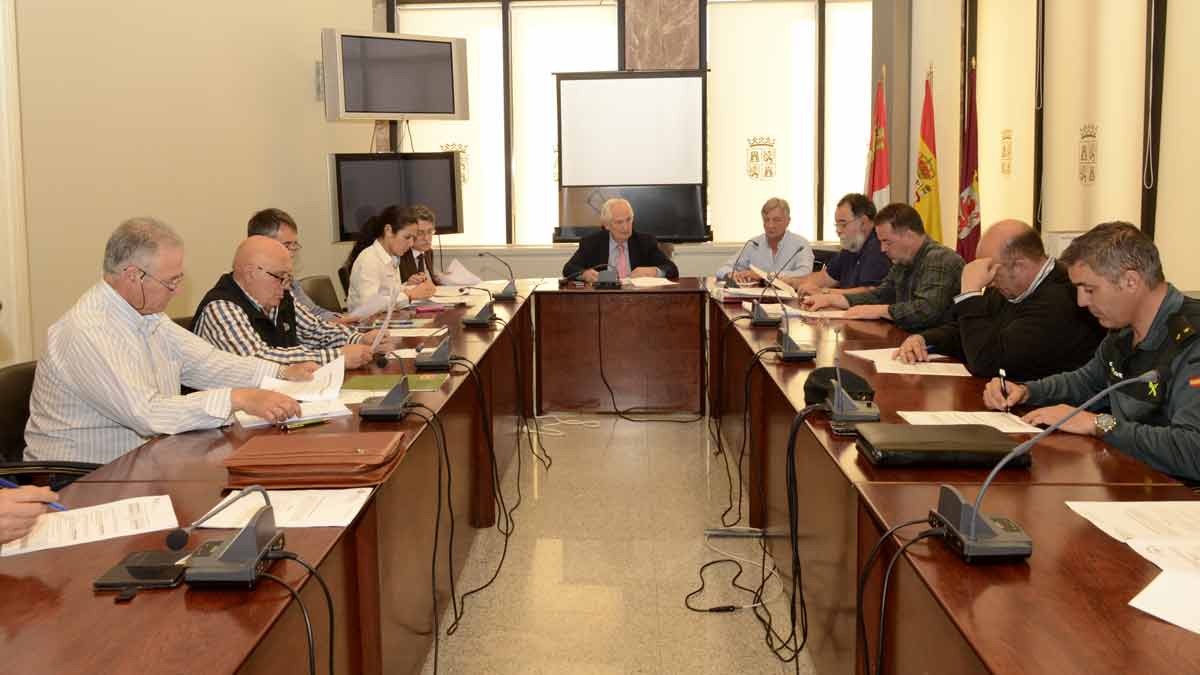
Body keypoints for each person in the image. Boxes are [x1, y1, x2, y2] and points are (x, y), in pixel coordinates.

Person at [24, 218, 312, 465]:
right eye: (170, 282)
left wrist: (278, 373)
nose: (175, 292)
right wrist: (238, 398)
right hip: (82, 479)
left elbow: (205, 363)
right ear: (133, 276)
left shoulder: (148, 315)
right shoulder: (87, 330)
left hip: (142, 460)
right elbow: (147, 413)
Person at [984, 221, 1200, 482]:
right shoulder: (1123, 330)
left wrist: (1098, 424)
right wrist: (1026, 391)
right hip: (1131, 479)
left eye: (1089, 289)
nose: (1081, 302)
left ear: (1130, 281)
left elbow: (1192, 450)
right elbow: (1088, 382)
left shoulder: (1192, 340)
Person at [895, 220, 1104, 379]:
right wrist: (924, 339)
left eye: (993, 274)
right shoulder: (1008, 284)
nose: (990, 283)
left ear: (1019, 266)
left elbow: (987, 363)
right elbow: (969, 331)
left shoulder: (1061, 300)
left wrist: (970, 293)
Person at [193, 236, 394, 368]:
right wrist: (337, 357)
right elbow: (258, 362)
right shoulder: (221, 307)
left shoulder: (277, 296)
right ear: (251, 273)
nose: (286, 285)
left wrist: (360, 340)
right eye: (280, 277)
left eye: (288, 278)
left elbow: (317, 331)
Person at [802, 203, 963, 332]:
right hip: (910, 342)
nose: (882, 249)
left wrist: (881, 310)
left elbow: (926, 311)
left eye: (887, 242)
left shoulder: (941, 259)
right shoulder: (903, 260)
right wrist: (832, 299)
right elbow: (879, 295)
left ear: (909, 236)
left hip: (941, 352)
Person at [246, 208, 342, 322]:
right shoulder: (242, 296)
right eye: (286, 246)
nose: (291, 254)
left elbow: (313, 316)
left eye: (294, 245)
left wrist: (349, 319)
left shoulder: (288, 282)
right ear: (261, 246)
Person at [786, 193, 890, 295]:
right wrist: (793, 282)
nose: (838, 231)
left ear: (863, 222)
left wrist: (823, 292)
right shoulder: (851, 246)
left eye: (843, 224)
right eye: (837, 225)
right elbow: (826, 277)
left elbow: (869, 293)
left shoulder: (879, 247)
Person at [345, 206, 437, 314]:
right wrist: (409, 295)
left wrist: (407, 287)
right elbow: (368, 305)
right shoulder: (369, 260)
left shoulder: (392, 258)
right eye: (407, 237)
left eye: (413, 238)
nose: (411, 243)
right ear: (388, 230)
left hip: (385, 321)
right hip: (366, 327)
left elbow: (389, 293)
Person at [562, 198, 679, 281]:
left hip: (639, 299)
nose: (626, 227)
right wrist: (584, 274)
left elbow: (671, 269)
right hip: (602, 299)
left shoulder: (645, 242)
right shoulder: (592, 243)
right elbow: (569, 269)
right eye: (619, 222)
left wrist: (654, 271)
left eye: (629, 220)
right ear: (606, 225)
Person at [715, 197, 814, 282]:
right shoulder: (754, 244)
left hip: (789, 299)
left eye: (776, 220)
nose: (771, 225)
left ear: (788, 221)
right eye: (767, 220)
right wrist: (731, 274)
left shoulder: (800, 244)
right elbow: (723, 269)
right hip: (756, 297)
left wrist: (764, 276)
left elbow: (805, 273)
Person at [398, 204, 438, 284]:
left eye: (430, 232)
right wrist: (406, 284)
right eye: (420, 233)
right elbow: (389, 289)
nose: (426, 238)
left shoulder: (428, 252)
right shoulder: (399, 254)